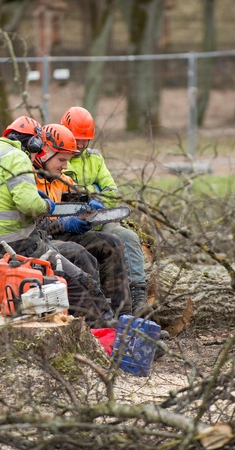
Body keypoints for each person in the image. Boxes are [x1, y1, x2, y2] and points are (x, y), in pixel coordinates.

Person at [0, 116, 115, 327]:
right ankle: (103, 333)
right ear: (34, 143)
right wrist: (48, 206)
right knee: (78, 280)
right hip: (17, 242)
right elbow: (30, 206)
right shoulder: (17, 157)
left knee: (76, 264)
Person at [32, 123, 132, 317]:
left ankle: (122, 316)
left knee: (111, 243)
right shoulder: (29, 179)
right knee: (80, 254)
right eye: (61, 160)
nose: (65, 166)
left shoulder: (61, 177)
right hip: (41, 240)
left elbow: (76, 196)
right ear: (44, 153)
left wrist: (89, 204)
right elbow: (33, 227)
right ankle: (95, 322)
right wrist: (64, 223)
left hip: (62, 235)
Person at [61, 106, 151, 315]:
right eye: (77, 140)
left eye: (85, 140)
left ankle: (137, 298)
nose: (82, 145)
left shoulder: (95, 159)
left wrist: (91, 197)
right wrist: (92, 190)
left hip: (97, 219)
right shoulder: (57, 157)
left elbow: (111, 191)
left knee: (127, 237)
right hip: (66, 225)